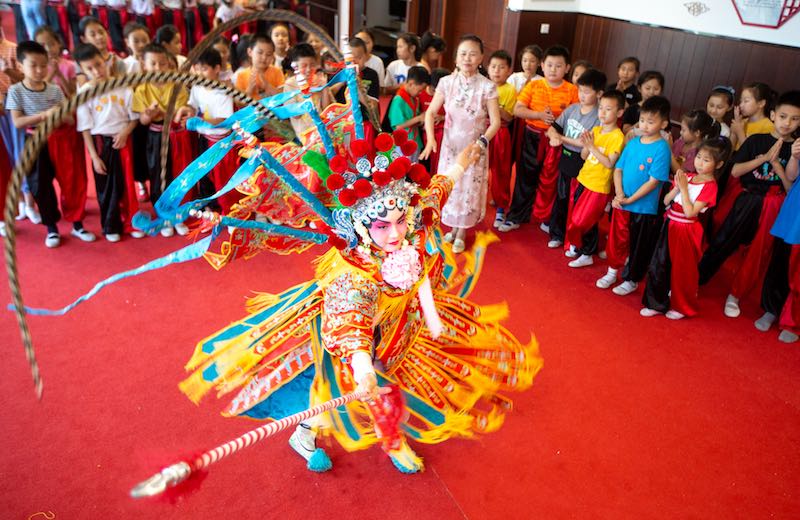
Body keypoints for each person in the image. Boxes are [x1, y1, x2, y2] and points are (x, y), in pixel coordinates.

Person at [699, 91, 800, 319]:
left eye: (795, 119)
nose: (788, 123)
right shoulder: (757, 140)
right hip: (747, 200)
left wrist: (778, 167)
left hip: (774, 205)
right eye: (783, 116)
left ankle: (735, 295)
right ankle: (697, 279)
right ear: (773, 115)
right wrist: (764, 159)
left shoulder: (796, 149)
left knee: (758, 253)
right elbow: (735, 171)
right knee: (723, 242)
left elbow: (790, 187)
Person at [5, 41, 96, 247]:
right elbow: (18, 122)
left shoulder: (54, 90)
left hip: (59, 139)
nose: (39, 70)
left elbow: (68, 118)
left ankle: (77, 223)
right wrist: (43, 115)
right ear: (21, 66)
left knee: (71, 181)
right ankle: (51, 228)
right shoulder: (16, 91)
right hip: (34, 141)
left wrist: (64, 115)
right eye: (33, 65)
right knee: (40, 184)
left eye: (43, 65)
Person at [420, 34, 500, 254]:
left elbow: (495, 122)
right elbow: (430, 113)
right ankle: (453, 229)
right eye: (463, 54)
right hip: (450, 147)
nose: (467, 58)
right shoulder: (446, 83)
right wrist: (430, 140)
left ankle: (461, 233)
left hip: (474, 148)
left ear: (481, 57)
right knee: (452, 186)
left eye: (473, 54)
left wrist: (482, 142)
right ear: (455, 58)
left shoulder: (488, 87)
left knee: (468, 190)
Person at [641, 139, 728, 319]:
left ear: (718, 164)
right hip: (670, 224)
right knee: (660, 263)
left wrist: (684, 189)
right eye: (699, 157)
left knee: (683, 269)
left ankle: (682, 306)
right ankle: (656, 303)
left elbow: (690, 213)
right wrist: (678, 188)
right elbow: (666, 201)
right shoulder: (687, 176)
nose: (700, 163)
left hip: (687, 229)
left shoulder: (710, 186)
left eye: (706, 160)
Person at [595, 95, 672, 294]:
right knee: (616, 239)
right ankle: (612, 271)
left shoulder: (662, 148)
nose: (645, 126)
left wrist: (631, 199)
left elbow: (654, 181)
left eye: (651, 122)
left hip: (643, 207)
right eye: (643, 120)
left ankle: (632, 278)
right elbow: (618, 169)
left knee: (638, 245)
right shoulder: (634, 142)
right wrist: (620, 194)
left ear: (664, 123)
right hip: (623, 202)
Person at [498, 45, 578, 232]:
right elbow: (518, 110)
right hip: (532, 136)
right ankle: (516, 216)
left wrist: (557, 126)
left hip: (558, 141)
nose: (553, 69)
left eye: (558, 66)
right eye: (549, 65)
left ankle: (547, 218)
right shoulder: (534, 85)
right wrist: (539, 115)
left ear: (567, 68)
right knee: (525, 177)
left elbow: (576, 117)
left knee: (551, 181)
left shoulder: (572, 90)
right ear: (542, 65)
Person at [74, 43, 141, 243]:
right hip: (101, 143)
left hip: (123, 140)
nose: (96, 71)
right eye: (89, 68)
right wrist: (94, 157)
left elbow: (134, 117)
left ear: (105, 61)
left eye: (98, 65)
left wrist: (125, 132)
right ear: (83, 70)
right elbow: (85, 128)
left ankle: (131, 221)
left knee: (127, 185)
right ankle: (111, 224)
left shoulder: (123, 86)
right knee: (106, 186)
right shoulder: (84, 92)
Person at [131, 42, 195, 237]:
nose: (158, 68)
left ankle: (178, 216)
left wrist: (167, 113)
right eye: (153, 64)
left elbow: (181, 113)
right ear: (144, 65)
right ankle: (163, 217)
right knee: (158, 175)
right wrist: (149, 115)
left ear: (169, 65)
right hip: (154, 136)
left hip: (175, 136)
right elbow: (141, 119)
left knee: (177, 173)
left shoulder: (177, 85)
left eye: (162, 63)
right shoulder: (141, 89)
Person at [563, 89, 625, 268]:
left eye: (608, 109)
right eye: (601, 109)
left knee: (584, 221)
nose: (602, 113)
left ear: (619, 112)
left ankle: (587, 252)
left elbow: (608, 163)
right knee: (576, 217)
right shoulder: (596, 129)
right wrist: (586, 144)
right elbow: (584, 156)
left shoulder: (617, 137)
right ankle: (582, 247)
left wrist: (592, 146)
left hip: (598, 187)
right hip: (583, 179)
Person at [545, 68, 603, 248]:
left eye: (587, 92)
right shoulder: (572, 109)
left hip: (583, 163)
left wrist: (561, 138)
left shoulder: (599, 116)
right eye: (580, 91)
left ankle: (579, 242)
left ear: (599, 94)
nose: (582, 95)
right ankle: (557, 234)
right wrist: (554, 135)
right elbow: (553, 127)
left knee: (580, 205)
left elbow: (586, 143)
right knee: (561, 198)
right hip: (565, 159)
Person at [188, 47, 240, 214]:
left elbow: (223, 119)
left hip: (221, 142)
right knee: (204, 175)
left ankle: (230, 211)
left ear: (217, 69)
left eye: (204, 69)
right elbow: (192, 105)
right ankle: (210, 208)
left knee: (223, 178)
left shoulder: (224, 91)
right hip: (204, 139)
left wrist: (201, 120)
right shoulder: (197, 87)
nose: (200, 73)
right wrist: (185, 111)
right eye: (197, 68)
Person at [758, 138, 800, 343]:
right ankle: (771, 309)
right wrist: (794, 155)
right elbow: (791, 176)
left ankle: (793, 320)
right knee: (780, 263)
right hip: (795, 211)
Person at [486, 50, 516, 227]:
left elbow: (509, 117)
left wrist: (493, 102)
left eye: (502, 67)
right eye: (494, 66)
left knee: (501, 171)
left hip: (501, 133)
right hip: (481, 131)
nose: (497, 71)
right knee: (478, 172)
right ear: (488, 68)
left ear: (509, 71)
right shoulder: (483, 84)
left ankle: (501, 209)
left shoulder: (509, 90)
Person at [282, 43, 331, 140]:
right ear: (295, 66)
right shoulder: (290, 85)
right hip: (305, 136)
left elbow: (327, 110)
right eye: (304, 66)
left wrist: (324, 87)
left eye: (312, 65)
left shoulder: (320, 79)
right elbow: (296, 116)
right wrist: (305, 90)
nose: (309, 69)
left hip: (325, 130)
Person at [387, 66, 429, 161]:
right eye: (419, 90)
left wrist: (421, 120)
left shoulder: (414, 98)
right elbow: (398, 126)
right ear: (411, 84)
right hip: (403, 143)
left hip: (414, 140)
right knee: (402, 170)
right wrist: (418, 118)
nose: (420, 93)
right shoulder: (398, 100)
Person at [76, 16, 126, 86]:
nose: (99, 37)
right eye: (93, 35)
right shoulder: (82, 62)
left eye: (101, 32)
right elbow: (84, 91)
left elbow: (124, 86)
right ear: (84, 39)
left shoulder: (117, 61)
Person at [234, 34, 283, 101]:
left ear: (273, 56)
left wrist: (267, 85)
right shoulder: (241, 75)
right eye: (260, 53)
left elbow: (282, 97)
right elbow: (239, 104)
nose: (264, 58)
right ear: (250, 52)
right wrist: (249, 89)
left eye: (268, 54)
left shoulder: (277, 72)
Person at [671, 110, 720, 174]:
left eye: (684, 130)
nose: (680, 132)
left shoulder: (698, 153)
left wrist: (669, 152)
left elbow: (681, 174)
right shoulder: (679, 143)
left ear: (697, 133)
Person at [33, 26, 76, 96]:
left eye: (51, 44)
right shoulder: (37, 69)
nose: (48, 49)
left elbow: (72, 95)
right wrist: (52, 73)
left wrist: (60, 75)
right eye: (42, 46)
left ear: (59, 43)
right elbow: (38, 94)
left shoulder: (70, 66)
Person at [621, 70, 664, 136]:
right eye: (647, 88)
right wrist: (639, 124)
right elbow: (625, 131)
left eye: (656, 89)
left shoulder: (662, 110)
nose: (651, 92)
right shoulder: (632, 109)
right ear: (639, 88)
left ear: (661, 91)